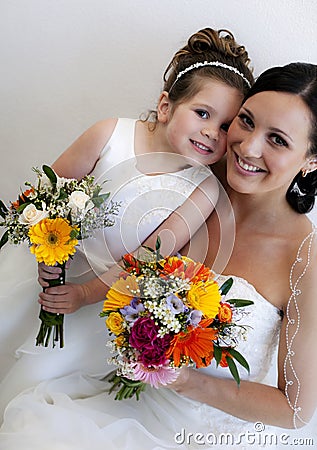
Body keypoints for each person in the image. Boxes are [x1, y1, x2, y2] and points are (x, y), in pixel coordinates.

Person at [1, 62, 316, 450]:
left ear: (311, 160)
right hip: (109, 384)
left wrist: (183, 379)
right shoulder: (193, 176)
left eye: (278, 140)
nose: (248, 147)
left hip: (201, 432)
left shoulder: (305, 259)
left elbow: (296, 410)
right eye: (246, 121)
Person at [0, 27, 254, 421]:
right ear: (166, 106)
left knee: (31, 377)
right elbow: (46, 194)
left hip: (94, 298)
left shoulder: (202, 189)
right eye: (202, 113)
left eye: (225, 127)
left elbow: (146, 257)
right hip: (40, 269)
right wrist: (47, 252)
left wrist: (83, 294)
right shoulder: (110, 134)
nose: (211, 131)